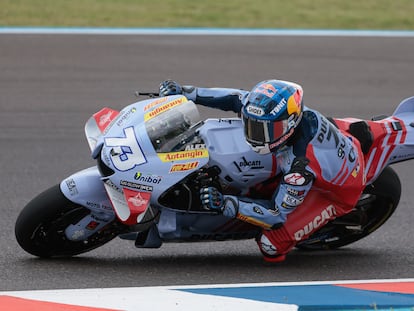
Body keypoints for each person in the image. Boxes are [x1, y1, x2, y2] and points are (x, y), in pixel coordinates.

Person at [158, 79, 366, 262]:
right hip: (332, 145)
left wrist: (226, 203)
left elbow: (276, 215)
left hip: (335, 192)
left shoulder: (299, 169)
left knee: (270, 245)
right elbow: (233, 97)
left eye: (266, 130)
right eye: (251, 125)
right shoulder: (278, 114)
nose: (254, 135)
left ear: (289, 125)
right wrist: (188, 93)